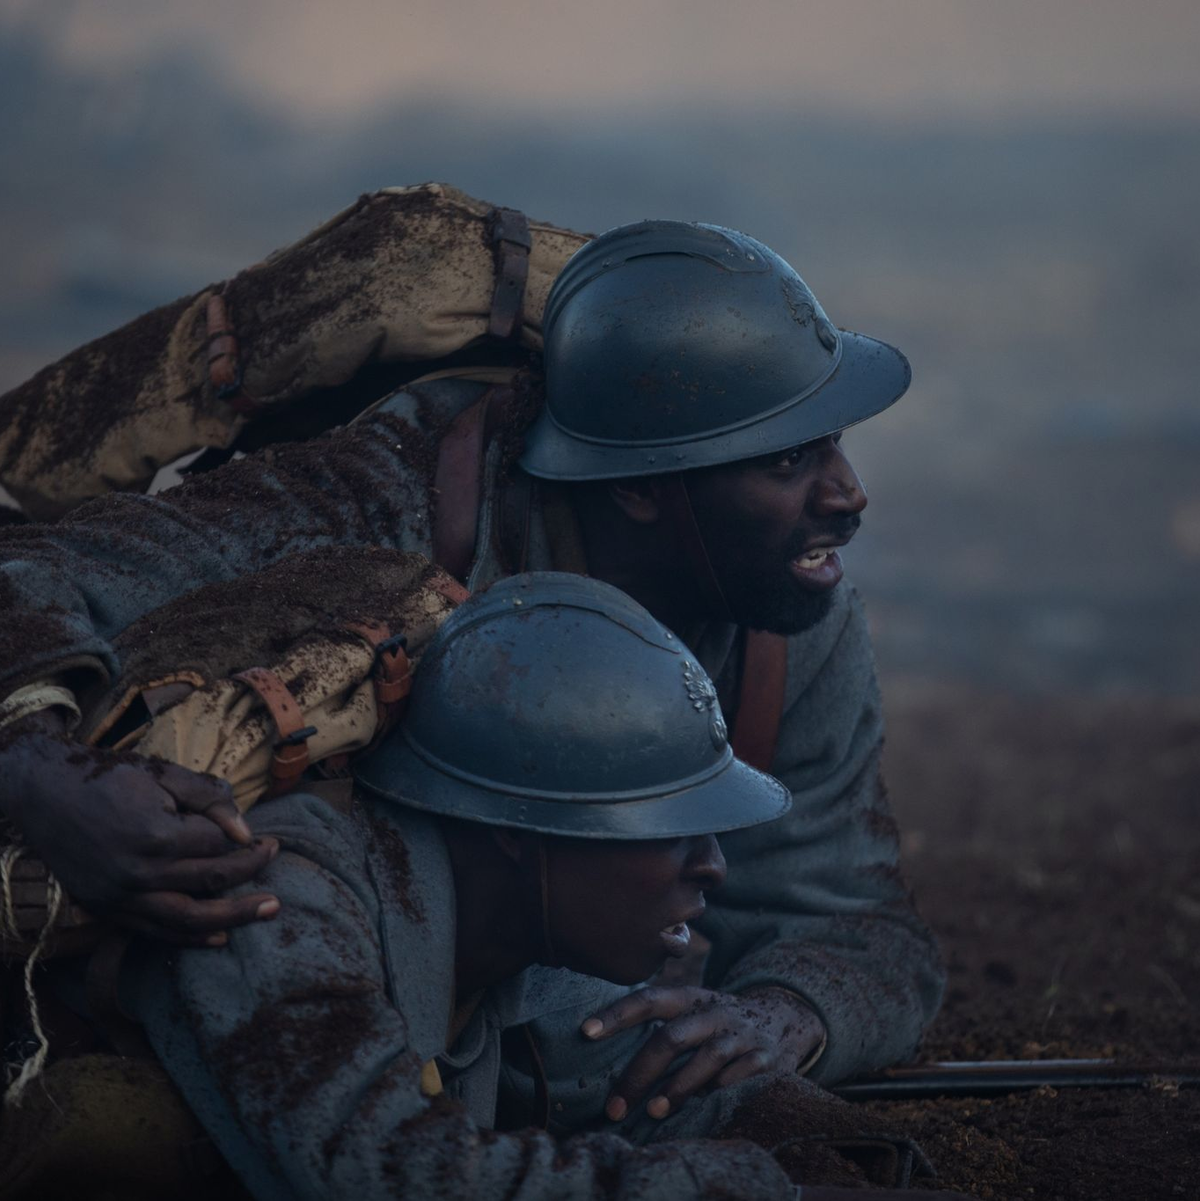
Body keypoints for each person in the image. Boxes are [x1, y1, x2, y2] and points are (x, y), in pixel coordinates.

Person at [0, 220, 944, 1101]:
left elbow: (856, 920)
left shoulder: (789, 616)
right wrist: (47, 775)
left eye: (835, 442)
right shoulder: (374, 503)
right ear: (645, 489)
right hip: (270, 1004)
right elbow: (33, 570)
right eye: (784, 461)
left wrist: (784, 1017)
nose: (848, 493)